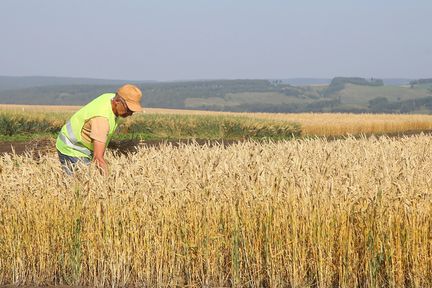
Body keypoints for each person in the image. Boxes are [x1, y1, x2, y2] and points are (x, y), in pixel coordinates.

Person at [56, 84, 142, 175]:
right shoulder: (101, 121)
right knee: (84, 183)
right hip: (72, 148)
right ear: (117, 101)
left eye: (133, 111)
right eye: (128, 109)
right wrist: (108, 183)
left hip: (80, 145)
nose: (130, 113)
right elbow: (98, 158)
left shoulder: (109, 97)